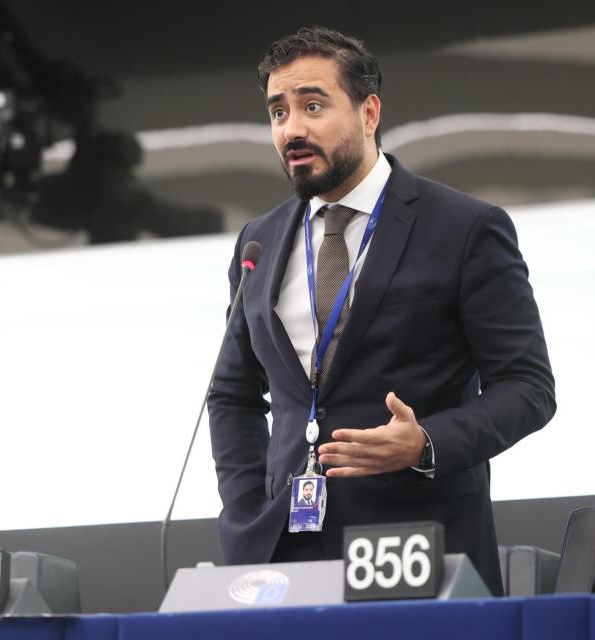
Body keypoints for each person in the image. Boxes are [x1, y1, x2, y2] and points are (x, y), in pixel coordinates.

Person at [206, 26, 555, 596]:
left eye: (312, 105)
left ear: (369, 113)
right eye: (277, 111)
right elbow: (232, 394)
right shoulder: (259, 240)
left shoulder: (465, 227)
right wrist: (248, 505)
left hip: (418, 550)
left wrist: (426, 443)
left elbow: (528, 387)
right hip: (283, 555)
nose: (291, 128)